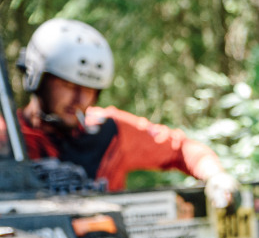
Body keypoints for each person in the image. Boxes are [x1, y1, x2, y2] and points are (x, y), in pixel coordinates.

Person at [15, 18, 238, 206]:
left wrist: (216, 176)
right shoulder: (8, 138)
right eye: (69, 86)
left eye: (90, 90)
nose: (81, 100)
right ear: (38, 78)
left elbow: (181, 149)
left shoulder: (110, 132)